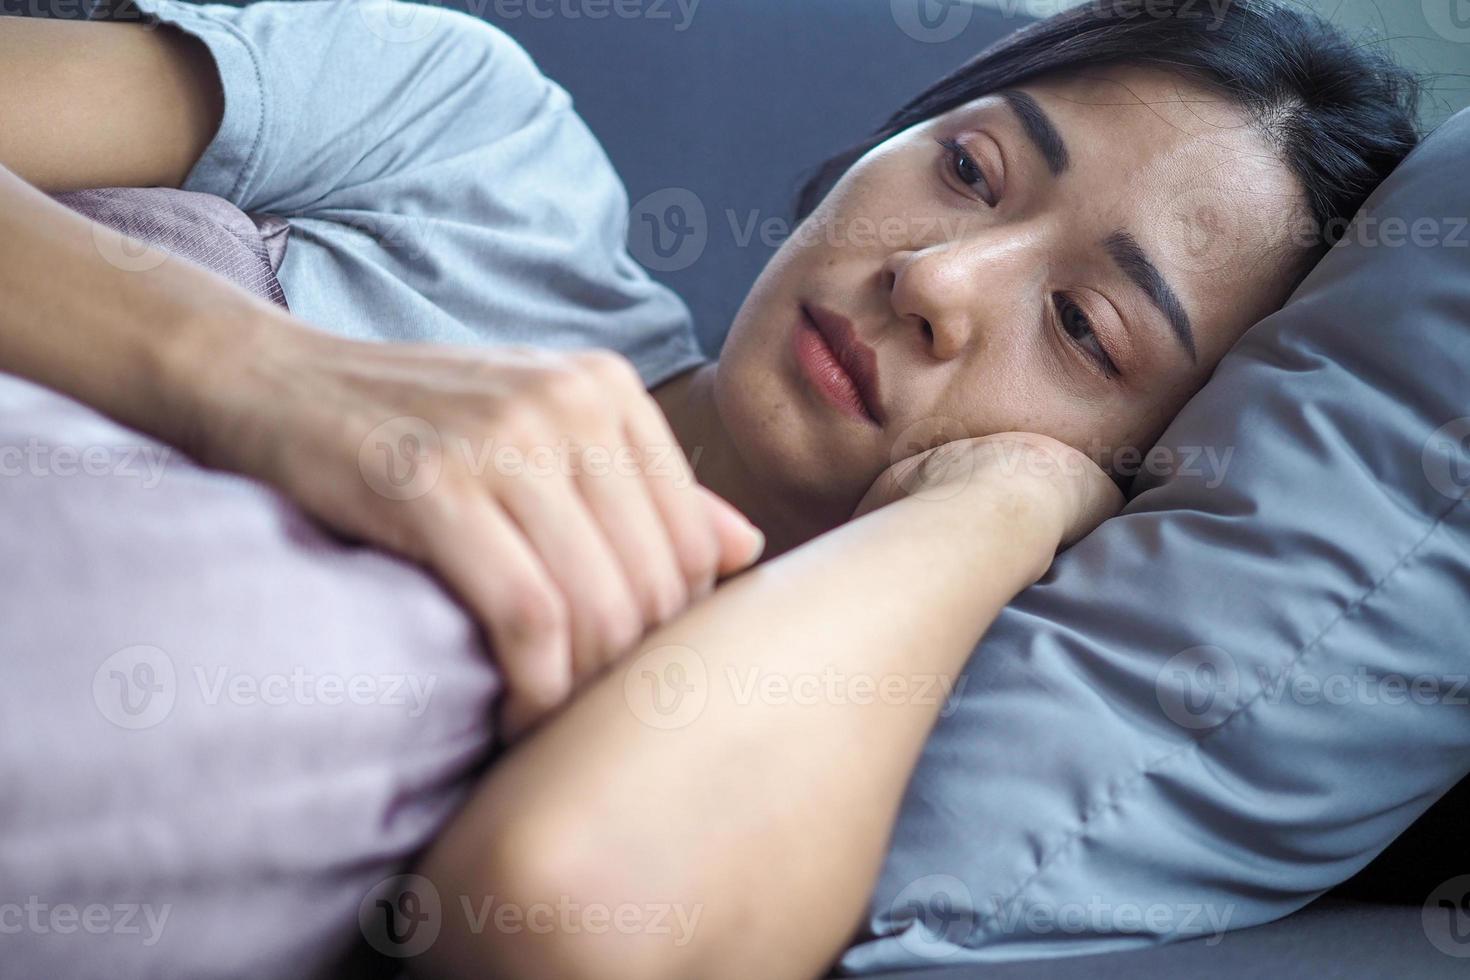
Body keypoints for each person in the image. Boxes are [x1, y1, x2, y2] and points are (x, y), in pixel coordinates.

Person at [0, 0, 1418, 976]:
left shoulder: (826, 747)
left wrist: (997, 508)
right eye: (969, 168)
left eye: (1083, 328)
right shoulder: (466, 139)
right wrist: (244, 369)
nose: (933, 279)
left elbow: (569, 911)